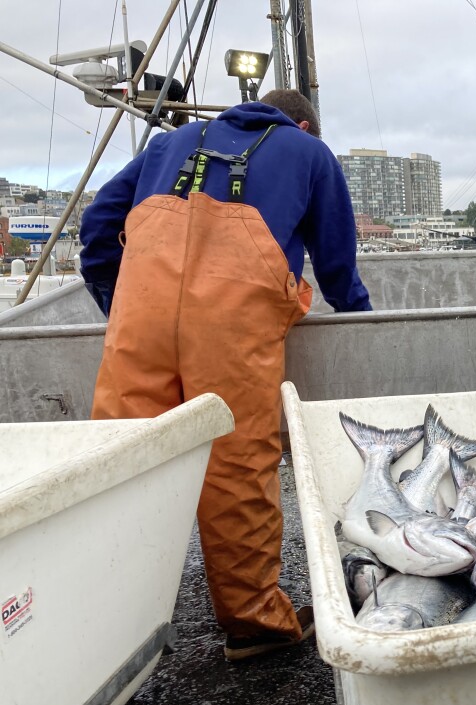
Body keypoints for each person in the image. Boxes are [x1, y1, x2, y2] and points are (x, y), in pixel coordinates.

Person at [79, 88, 372, 661]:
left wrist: (119, 302)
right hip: (232, 328)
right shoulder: (311, 154)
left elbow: (97, 226)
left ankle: (110, 637)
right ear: (305, 125)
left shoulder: (170, 142)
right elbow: (336, 267)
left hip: (139, 317)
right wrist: (360, 325)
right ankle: (252, 624)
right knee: (235, 464)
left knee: (118, 466)